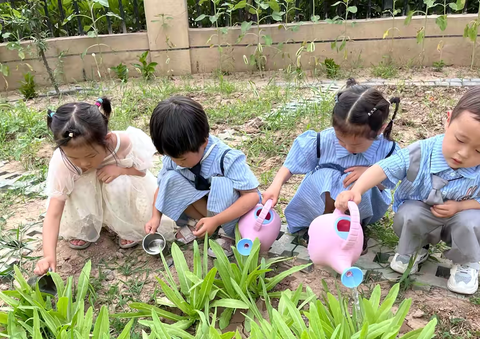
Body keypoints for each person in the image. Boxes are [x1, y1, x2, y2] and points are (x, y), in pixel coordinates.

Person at [336, 87, 480, 295]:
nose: (464, 154)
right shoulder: (421, 152)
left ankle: (467, 261)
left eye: (479, 150)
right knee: (408, 214)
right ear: (448, 121)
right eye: (459, 139)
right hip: (422, 212)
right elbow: (383, 168)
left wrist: (461, 206)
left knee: (473, 222)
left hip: (460, 218)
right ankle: (414, 248)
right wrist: (356, 190)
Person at [34, 98, 175, 275]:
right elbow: (54, 212)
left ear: (106, 140)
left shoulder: (121, 143)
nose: (84, 163)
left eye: (91, 155)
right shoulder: (62, 163)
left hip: (115, 188)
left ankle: (124, 226)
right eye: (74, 158)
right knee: (78, 187)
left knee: (117, 183)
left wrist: (119, 170)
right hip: (85, 196)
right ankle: (86, 227)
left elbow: (141, 172)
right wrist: (49, 255)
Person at [263, 79, 400, 250]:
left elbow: (388, 182)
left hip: (362, 204)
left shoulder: (387, 149)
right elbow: (291, 164)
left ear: (380, 130)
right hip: (322, 198)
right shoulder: (323, 140)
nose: (348, 148)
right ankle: (323, 221)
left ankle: (353, 225)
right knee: (327, 174)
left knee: (358, 181)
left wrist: (371, 173)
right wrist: (275, 186)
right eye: (341, 141)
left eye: (356, 145)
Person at [146, 95, 260, 257]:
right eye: (172, 158)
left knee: (222, 185)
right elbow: (162, 187)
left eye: (183, 159)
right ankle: (200, 224)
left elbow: (252, 197)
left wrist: (217, 220)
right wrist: (155, 217)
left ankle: (228, 234)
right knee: (170, 178)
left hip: (235, 215)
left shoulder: (226, 158)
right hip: (207, 208)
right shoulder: (174, 159)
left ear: (204, 143)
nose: (178, 163)